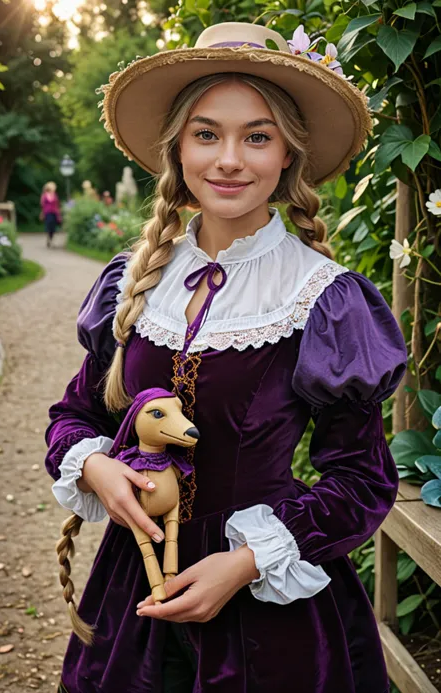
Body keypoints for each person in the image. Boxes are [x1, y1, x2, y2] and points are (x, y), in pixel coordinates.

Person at [45, 21, 408, 693]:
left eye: (257, 136)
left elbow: (362, 481)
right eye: (207, 133)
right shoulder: (134, 280)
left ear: (287, 155)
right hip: (135, 592)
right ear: (178, 147)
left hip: (268, 614)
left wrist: (243, 562)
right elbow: (73, 413)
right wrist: (97, 465)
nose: (230, 160)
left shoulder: (320, 298)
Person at [40, 182, 62, 248]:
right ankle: (49, 239)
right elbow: (42, 204)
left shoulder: (55, 195)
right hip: (47, 212)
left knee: (53, 227)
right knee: (49, 225)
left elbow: (57, 204)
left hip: (54, 212)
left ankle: (51, 239)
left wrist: (58, 213)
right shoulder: (45, 195)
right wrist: (43, 212)